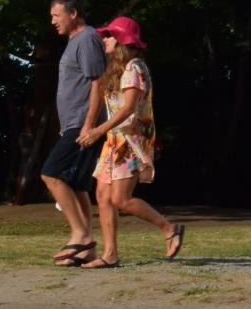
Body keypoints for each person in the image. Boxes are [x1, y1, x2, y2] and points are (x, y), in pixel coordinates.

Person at [75, 16, 184, 268]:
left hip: (130, 142)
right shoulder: (117, 69)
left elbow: (127, 110)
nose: (104, 40)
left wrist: (96, 130)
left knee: (120, 199)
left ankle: (169, 228)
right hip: (114, 141)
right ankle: (110, 254)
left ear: (122, 41)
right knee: (103, 196)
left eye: (109, 36)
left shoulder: (134, 67)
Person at [40, 0, 108, 266]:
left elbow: (98, 82)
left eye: (57, 15)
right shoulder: (74, 42)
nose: (53, 21)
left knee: (50, 174)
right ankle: (86, 249)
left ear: (73, 13)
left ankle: (79, 234)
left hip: (83, 124)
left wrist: (89, 124)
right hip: (74, 124)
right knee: (77, 184)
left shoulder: (87, 39)